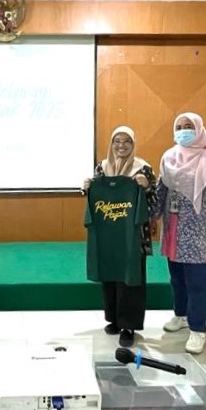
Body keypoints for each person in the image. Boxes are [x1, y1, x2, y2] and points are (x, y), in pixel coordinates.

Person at [156, 112, 206, 354]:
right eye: (179, 127)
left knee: (197, 283)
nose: (184, 131)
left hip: (198, 230)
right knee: (176, 279)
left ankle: (198, 329)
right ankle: (181, 315)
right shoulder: (169, 156)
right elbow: (162, 189)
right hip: (173, 229)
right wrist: (150, 214)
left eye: (189, 126)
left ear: (199, 128)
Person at [83, 126, 157, 347]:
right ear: (111, 144)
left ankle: (129, 325)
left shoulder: (143, 168)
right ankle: (114, 319)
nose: (121, 146)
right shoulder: (102, 167)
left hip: (133, 234)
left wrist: (147, 187)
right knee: (110, 274)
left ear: (133, 144)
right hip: (108, 234)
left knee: (131, 278)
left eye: (127, 141)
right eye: (117, 141)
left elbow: (155, 201)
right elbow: (95, 197)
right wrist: (86, 188)